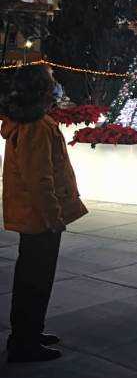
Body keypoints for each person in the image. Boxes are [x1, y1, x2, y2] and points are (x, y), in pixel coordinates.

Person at [1, 65, 88, 363]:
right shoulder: (36, 127)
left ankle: (28, 332)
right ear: (41, 89)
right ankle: (24, 341)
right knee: (35, 280)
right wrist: (54, 218)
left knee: (32, 278)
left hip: (33, 215)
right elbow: (39, 179)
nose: (56, 87)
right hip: (40, 218)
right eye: (51, 82)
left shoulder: (30, 123)